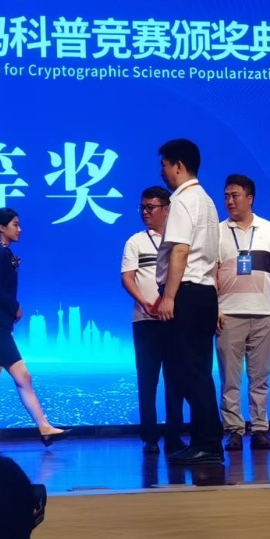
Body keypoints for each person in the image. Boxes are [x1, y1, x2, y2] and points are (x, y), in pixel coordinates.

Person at [0, 208, 70, 449]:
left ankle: (44, 428)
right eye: (15, 224)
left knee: (23, 377)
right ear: (2, 228)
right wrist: (15, 307)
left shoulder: (4, 253)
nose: (19, 229)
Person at [154, 139, 223, 465]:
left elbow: (180, 251)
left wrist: (169, 296)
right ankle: (203, 440)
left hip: (188, 292)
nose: (162, 172)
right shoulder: (207, 200)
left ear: (178, 165)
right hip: (206, 292)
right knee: (199, 369)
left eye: (165, 165)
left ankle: (207, 443)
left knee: (190, 370)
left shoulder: (182, 201)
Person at [214, 174, 270, 451]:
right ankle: (233, 431)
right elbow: (211, 273)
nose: (229, 201)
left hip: (263, 315)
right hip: (228, 315)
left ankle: (259, 429)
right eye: (226, 196)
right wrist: (215, 308)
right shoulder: (217, 232)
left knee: (260, 378)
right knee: (230, 379)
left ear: (250, 198)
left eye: (235, 195)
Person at [120, 185, 185, 455]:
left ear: (166, 209)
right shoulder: (135, 241)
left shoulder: (179, 241)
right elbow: (127, 277)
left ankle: (174, 435)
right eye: (142, 208)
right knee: (147, 380)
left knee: (175, 380)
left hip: (173, 319)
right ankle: (149, 436)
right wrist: (144, 302)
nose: (145, 212)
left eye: (151, 207)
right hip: (144, 321)